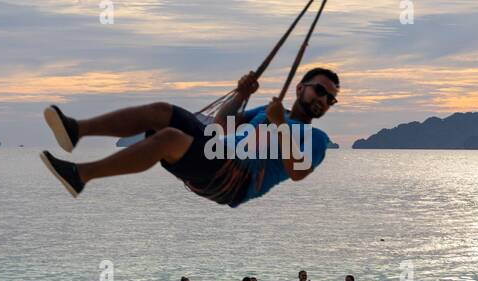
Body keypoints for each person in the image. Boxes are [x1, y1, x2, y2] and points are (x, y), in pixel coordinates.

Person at [39, 68, 338, 206]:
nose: (323, 99)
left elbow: (297, 172)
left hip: (235, 179)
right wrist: (242, 95)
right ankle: (76, 129)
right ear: (300, 88)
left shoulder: (316, 138)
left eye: (330, 98)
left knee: (168, 138)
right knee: (161, 113)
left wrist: (280, 126)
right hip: (217, 151)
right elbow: (223, 124)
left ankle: (82, 174)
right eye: (320, 90)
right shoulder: (270, 110)